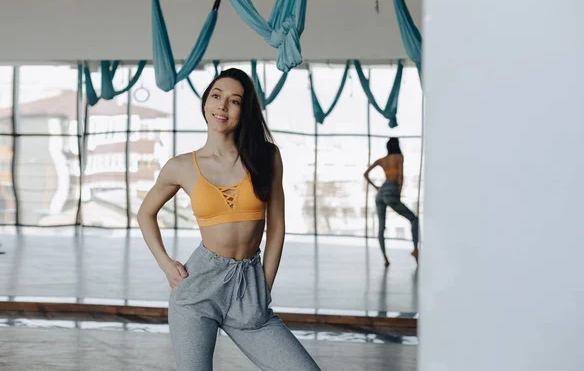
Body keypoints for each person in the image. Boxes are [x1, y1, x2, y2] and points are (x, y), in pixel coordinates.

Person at [137, 68, 320, 371]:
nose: (222, 106)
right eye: (216, 96)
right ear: (205, 102)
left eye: (234, 101)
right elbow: (146, 213)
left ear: (244, 111)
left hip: (250, 285)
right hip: (198, 289)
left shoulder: (267, 156)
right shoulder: (181, 166)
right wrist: (166, 263)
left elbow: (276, 228)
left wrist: (264, 286)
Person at [364, 138, 419, 266]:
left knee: (381, 228)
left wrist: (377, 187)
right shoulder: (399, 157)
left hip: (380, 193)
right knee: (413, 219)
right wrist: (398, 192)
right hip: (391, 191)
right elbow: (400, 176)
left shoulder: (382, 160)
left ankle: (385, 258)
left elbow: (365, 174)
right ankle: (415, 249)